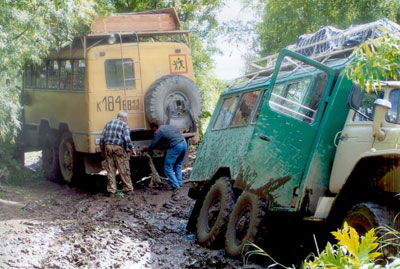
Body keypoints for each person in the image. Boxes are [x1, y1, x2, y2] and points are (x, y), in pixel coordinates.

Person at [100, 111, 136, 197]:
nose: (127, 120)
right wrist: (132, 149)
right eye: (126, 119)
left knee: (110, 170)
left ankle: (111, 191)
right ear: (123, 118)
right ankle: (128, 190)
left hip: (108, 147)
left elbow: (102, 139)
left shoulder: (108, 123)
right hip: (118, 148)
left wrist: (103, 150)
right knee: (123, 169)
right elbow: (127, 139)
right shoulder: (124, 125)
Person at [143, 122, 187, 190]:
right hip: (184, 143)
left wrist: (147, 148)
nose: (153, 131)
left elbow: (154, 144)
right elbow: (168, 140)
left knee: (167, 167)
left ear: (154, 127)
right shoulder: (168, 127)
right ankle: (179, 183)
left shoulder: (158, 131)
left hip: (176, 146)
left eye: (153, 130)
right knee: (178, 165)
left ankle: (175, 185)